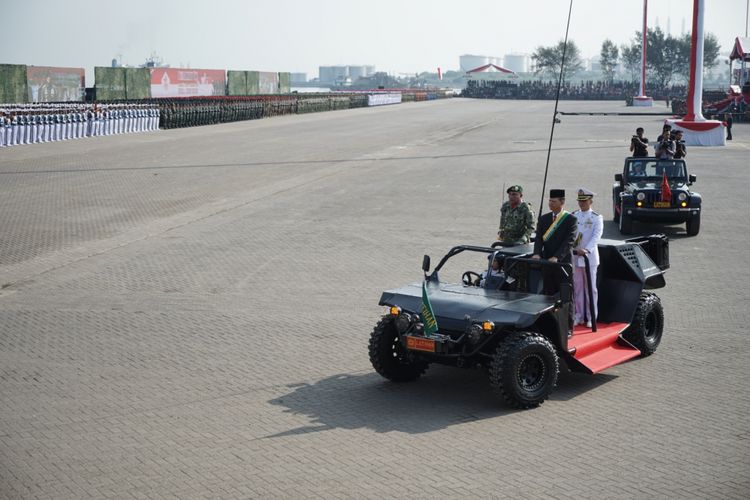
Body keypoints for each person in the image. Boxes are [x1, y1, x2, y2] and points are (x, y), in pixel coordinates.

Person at [532, 189, 577, 296]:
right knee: (548, 293)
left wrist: (557, 256)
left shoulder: (571, 219)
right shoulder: (544, 219)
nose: (550, 204)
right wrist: (537, 253)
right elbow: (539, 238)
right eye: (550, 201)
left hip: (563, 263)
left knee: (565, 295)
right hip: (547, 261)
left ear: (562, 202)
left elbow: (570, 240)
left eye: (554, 201)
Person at [571, 188, 603, 328]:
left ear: (590, 201)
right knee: (577, 288)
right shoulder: (574, 216)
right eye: (580, 201)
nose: (582, 204)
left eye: (584, 201)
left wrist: (587, 250)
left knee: (590, 289)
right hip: (575, 256)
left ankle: (592, 317)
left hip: (588, 257)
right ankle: (578, 315)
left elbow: (596, 236)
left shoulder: (596, 217)